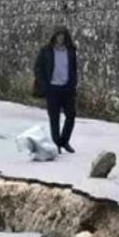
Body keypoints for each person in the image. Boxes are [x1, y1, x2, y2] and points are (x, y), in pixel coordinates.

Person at [34, 25, 78, 154]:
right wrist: (44, 86)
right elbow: (38, 68)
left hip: (67, 88)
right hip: (52, 89)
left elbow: (73, 68)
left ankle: (64, 141)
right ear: (54, 37)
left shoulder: (70, 51)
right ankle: (56, 143)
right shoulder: (46, 51)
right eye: (58, 36)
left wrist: (73, 83)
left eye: (63, 36)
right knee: (54, 118)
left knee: (71, 115)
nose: (61, 38)